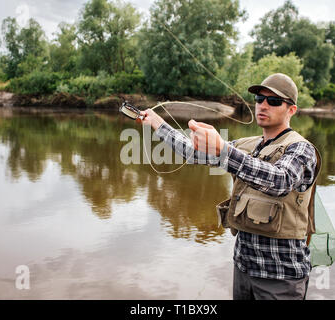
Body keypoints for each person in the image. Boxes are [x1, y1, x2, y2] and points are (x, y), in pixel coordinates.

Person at [137, 73, 321, 300]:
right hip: (243, 270)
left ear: (291, 110)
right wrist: (157, 123)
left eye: (273, 101)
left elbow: (280, 180)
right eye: (259, 99)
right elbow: (193, 153)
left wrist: (223, 150)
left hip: (281, 278)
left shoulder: (302, 149)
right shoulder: (248, 145)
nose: (263, 105)